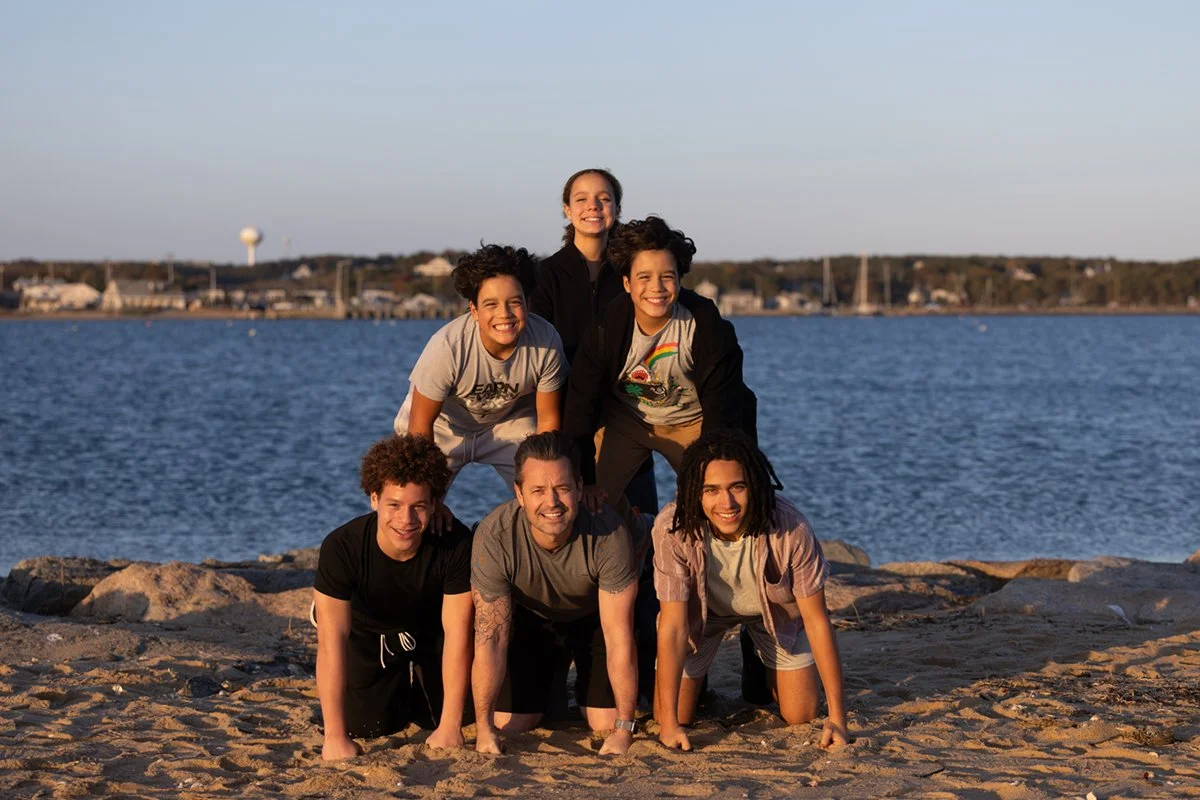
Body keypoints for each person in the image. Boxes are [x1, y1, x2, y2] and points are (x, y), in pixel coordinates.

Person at [652, 429, 849, 751]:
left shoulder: (790, 526)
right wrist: (670, 725)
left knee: (800, 713)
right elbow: (673, 625)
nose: (726, 502)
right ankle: (698, 681)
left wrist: (838, 719)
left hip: (774, 615)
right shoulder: (671, 527)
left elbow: (817, 621)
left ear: (754, 485)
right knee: (669, 715)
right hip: (701, 617)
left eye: (737, 487)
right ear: (693, 492)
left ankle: (757, 649)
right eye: (711, 490)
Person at [563, 214, 757, 512]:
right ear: (627, 283)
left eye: (667, 277)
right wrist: (585, 478)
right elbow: (581, 404)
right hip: (628, 419)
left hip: (694, 422)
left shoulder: (706, 326)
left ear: (679, 280)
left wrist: (712, 468)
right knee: (585, 504)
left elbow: (724, 406)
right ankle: (630, 535)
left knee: (718, 504)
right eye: (644, 277)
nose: (657, 288)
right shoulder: (606, 327)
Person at [470, 432, 639, 755]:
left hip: (593, 621)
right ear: (519, 493)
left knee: (604, 722)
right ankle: (552, 675)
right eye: (538, 491)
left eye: (562, 488)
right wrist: (483, 729)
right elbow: (490, 637)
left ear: (578, 486)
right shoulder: (495, 535)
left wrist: (624, 729)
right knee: (512, 721)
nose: (552, 502)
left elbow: (619, 636)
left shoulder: (608, 531)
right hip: (534, 621)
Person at [312, 434, 473, 760]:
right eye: (394, 505)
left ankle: (417, 684)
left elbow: (459, 633)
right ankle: (391, 681)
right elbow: (332, 643)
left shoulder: (455, 543)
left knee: (450, 716)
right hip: (369, 630)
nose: (406, 520)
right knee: (368, 725)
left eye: (418, 506)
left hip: (432, 629)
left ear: (435, 503)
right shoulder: (342, 547)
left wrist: (451, 726)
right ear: (374, 498)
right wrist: (334, 737)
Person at [394, 244, 566, 489]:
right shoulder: (448, 347)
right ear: (474, 310)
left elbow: (548, 422)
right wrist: (429, 496)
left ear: (528, 303)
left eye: (514, 302)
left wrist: (541, 478)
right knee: (413, 499)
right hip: (444, 426)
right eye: (491, 305)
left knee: (547, 485)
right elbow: (420, 427)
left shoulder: (546, 341)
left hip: (508, 423)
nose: (504, 314)